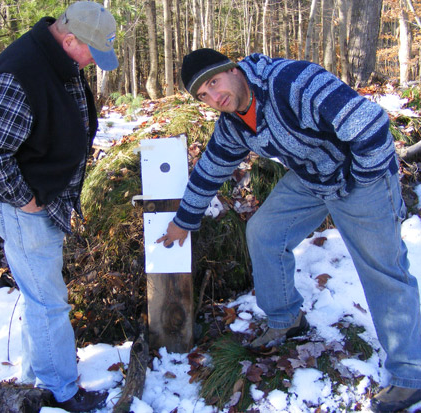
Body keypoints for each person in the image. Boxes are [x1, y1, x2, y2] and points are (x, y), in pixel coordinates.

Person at [156, 48, 421, 412]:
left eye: (214, 82)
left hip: (363, 178)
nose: (214, 97)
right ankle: (286, 319)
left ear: (234, 70)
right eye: (203, 95)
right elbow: (211, 169)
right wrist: (183, 222)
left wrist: (359, 179)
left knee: (383, 271)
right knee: (264, 233)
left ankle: (410, 375)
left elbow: (371, 124)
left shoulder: (292, 82)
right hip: (314, 178)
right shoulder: (234, 120)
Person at [0, 2, 118, 411]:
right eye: (92, 54)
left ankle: (36, 379)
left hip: (44, 197)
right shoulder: (22, 74)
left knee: (40, 296)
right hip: (24, 205)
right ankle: (59, 391)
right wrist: (25, 200)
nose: (94, 64)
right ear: (69, 40)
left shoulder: (56, 59)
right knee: (49, 301)